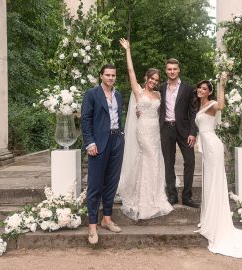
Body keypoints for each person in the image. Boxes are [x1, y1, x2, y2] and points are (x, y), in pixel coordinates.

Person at [195, 75, 242, 258]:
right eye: (199, 88)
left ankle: (216, 222)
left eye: (204, 89)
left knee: (215, 181)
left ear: (210, 91)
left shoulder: (212, 104)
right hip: (206, 146)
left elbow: (221, 105)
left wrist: (222, 83)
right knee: (209, 180)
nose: (201, 90)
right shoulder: (198, 105)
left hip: (213, 145)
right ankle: (208, 218)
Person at [118, 38, 173, 220]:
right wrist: (128, 50)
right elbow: (131, 71)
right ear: (146, 78)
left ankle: (154, 194)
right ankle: (142, 200)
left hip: (155, 131)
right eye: (151, 79)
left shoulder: (159, 94)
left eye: (156, 80)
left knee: (154, 159)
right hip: (142, 130)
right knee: (148, 156)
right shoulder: (138, 92)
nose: (154, 82)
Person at [81, 64, 125, 245]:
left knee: (112, 182)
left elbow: (117, 118)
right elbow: (85, 119)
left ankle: (106, 219)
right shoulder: (92, 94)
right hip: (98, 144)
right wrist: (90, 142)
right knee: (95, 184)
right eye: (107, 75)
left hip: (116, 142)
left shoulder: (119, 95)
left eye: (113, 75)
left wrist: (121, 136)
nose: (111, 78)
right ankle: (92, 225)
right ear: (101, 76)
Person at [159, 58, 199, 208]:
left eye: (174, 69)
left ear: (179, 70)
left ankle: (187, 196)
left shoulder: (188, 89)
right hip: (166, 129)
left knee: (190, 161)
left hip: (184, 130)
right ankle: (172, 195)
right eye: (169, 69)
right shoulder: (161, 88)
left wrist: (193, 132)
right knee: (168, 163)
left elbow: (193, 112)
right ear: (166, 70)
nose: (172, 71)